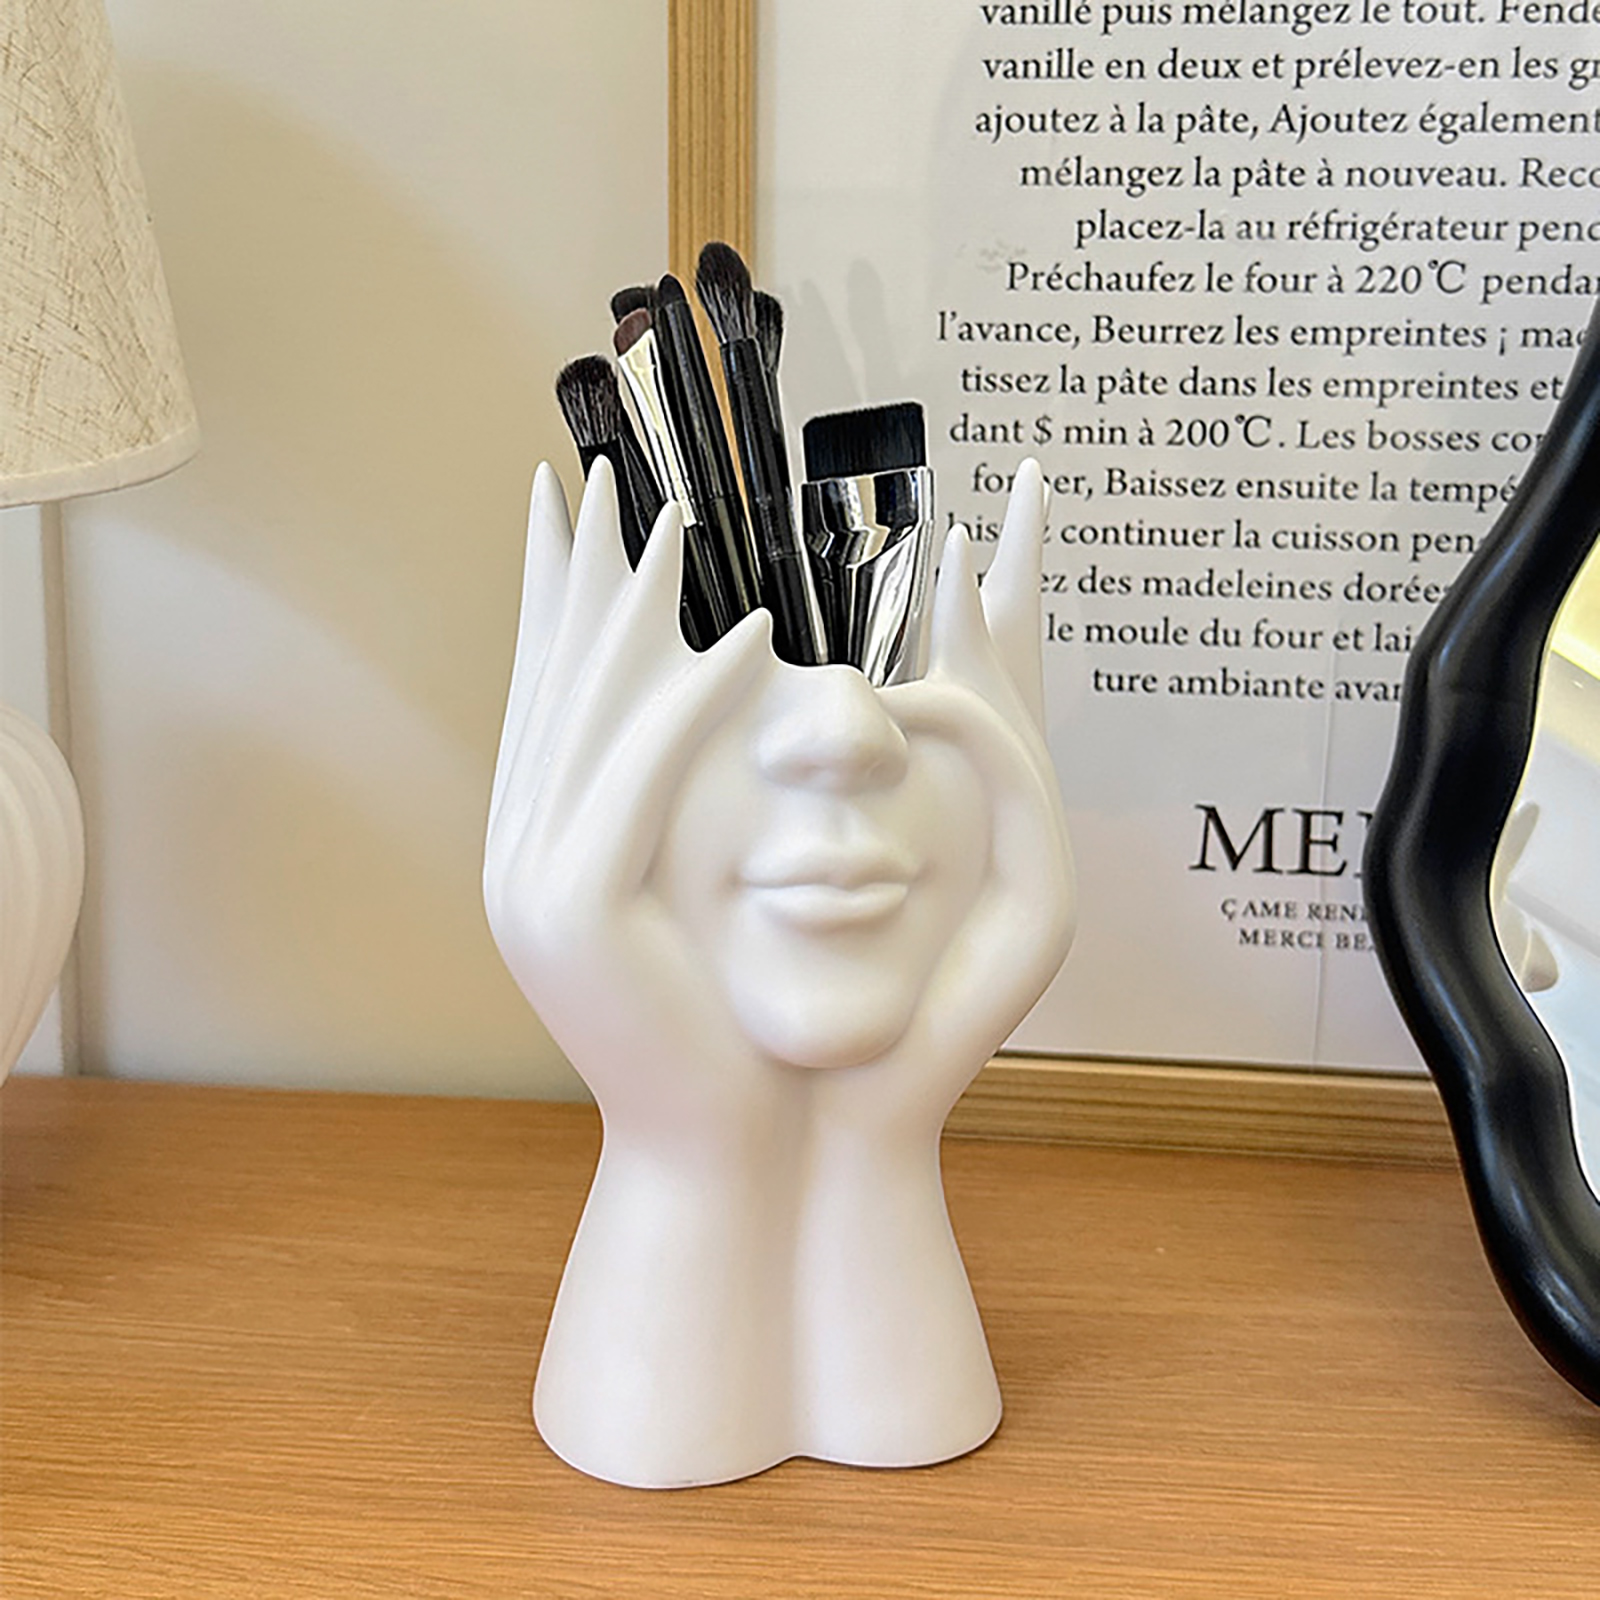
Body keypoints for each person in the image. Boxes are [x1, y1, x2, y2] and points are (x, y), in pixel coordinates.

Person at [485, 457, 1075, 1488]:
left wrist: (884, 1122)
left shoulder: (941, 892)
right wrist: (686, 1127)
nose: (845, 734)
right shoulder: (618, 926)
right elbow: (655, 1429)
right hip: (641, 1410)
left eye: (908, 701)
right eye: (732, 706)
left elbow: (908, 1412)